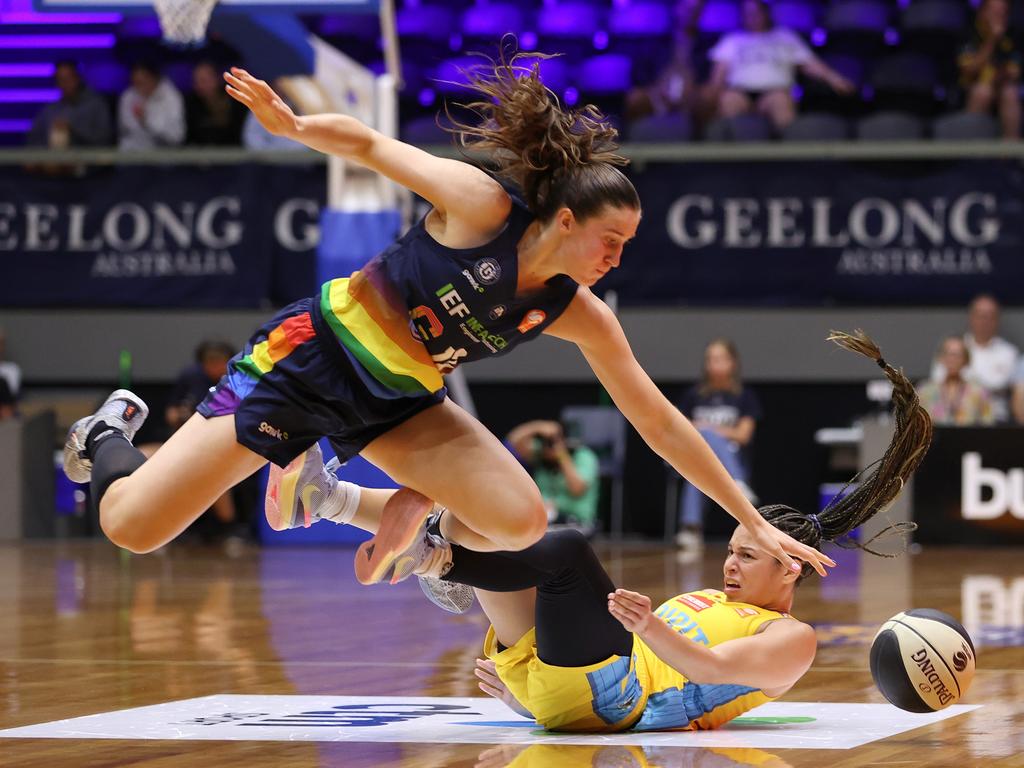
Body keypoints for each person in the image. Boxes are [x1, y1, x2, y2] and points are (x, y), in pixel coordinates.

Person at [62, 47, 832, 587]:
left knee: (521, 520)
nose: (617, 258)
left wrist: (751, 517)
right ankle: (103, 437)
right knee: (134, 526)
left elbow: (661, 424)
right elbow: (366, 142)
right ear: (564, 221)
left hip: (399, 406)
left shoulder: (579, 314)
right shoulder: (481, 207)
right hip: (309, 360)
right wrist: (295, 128)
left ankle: (340, 500)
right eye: (611, 241)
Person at [447, 331, 930, 734]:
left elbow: (709, 669)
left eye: (746, 555)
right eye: (732, 551)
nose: (730, 563)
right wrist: (525, 703)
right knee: (485, 515)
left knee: (568, 549)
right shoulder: (710, 599)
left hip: (618, 700)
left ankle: (441, 563)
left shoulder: (792, 637)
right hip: (566, 684)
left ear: (789, 568)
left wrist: (646, 624)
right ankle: (432, 549)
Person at [708, 0, 854, 132]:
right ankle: (732, 156)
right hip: (740, 93)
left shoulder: (785, 37)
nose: (753, 17)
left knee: (781, 102)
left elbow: (810, 64)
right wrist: (712, 97)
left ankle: (784, 154)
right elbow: (719, 74)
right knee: (728, 100)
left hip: (775, 92)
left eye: (757, 12)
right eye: (749, 13)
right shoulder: (733, 40)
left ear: (766, 13)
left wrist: (834, 79)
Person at [675, 339, 761, 553]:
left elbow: (743, 435)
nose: (716, 364)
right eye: (711, 359)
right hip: (698, 459)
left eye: (721, 359)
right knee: (696, 468)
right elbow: (678, 429)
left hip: (733, 457)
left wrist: (707, 428)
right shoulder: (693, 396)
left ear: (732, 363)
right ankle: (737, 484)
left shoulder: (744, 397)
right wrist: (704, 431)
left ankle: (691, 528)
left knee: (701, 451)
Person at [932, 294, 1019, 422]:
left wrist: (968, 380)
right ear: (971, 317)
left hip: (997, 421)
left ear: (997, 320)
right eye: (981, 316)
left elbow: (1010, 390)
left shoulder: (1009, 353)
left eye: (991, 316)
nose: (985, 321)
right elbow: (938, 381)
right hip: (954, 418)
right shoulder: (955, 346)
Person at [507, 419, 600, 533]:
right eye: (547, 442)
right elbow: (512, 444)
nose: (550, 446)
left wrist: (561, 454)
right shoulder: (540, 455)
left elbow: (577, 489)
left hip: (576, 521)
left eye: (554, 441)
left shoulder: (583, 456)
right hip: (545, 519)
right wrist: (537, 427)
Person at [958, 0, 1021, 140]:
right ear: (982, 12)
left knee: (1010, 93)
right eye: (994, 12)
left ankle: (1011, 153)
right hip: (972, 88)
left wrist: (1005, 75)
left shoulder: (1013, 35)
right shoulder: (970, 34)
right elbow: (970, 71)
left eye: (1002, 13)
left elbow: (1015, 71)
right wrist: (992, 40)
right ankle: (973, 151)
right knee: (983, 92)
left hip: (1002, 86)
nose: (999, 16)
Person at [27, 61, 112, 149]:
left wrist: (72, 130)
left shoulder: (96, 106)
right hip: (53, 160)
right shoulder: (49, 110)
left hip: (86, 160)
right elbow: (33, 141)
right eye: (60, 80)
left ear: (78, 78)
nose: (64, 84)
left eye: (68, 78)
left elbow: (104, 141)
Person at [917, 336, 994, 426]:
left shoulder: (979, 392)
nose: (952, 359)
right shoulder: (925, 391)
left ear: (966, 360)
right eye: (948, 354)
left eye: (958, 355)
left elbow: (988, 424)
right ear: (940, 358)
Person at [118, 62, 185, 150]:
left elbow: (176, 137)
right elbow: (126, 132)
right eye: (135, 83)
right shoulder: (128, 96)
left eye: (142, 82)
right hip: (133, 155)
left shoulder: (171, 97)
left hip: (163, 156)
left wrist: (147, 121)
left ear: (154, 79)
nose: (138, 88)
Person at [186, 61, 246, 146]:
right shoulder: (191, 104)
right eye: (196, 82)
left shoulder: (237, 101)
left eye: (204, 80)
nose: (199, 86)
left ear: (217, 79)